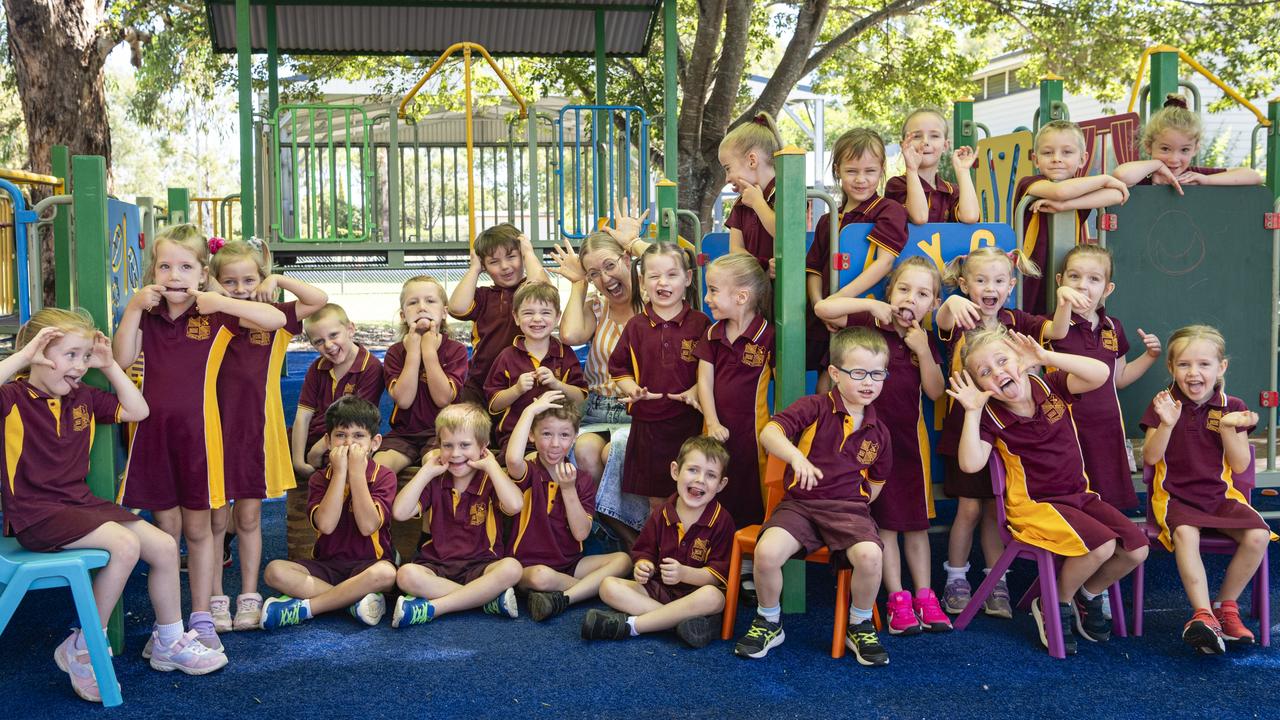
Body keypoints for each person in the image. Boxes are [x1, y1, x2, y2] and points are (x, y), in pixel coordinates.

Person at [3, 309, 226, 702]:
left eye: (84, 356)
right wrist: (23, 356)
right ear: (38, 353)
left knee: (160, 545)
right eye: (70, 355)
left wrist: (108, 367)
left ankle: (169, 641)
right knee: (124, 545)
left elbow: (138, 411)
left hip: (81, 505)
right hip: (36, 515)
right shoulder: (12, 397)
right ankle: (83, 645)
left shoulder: (83, 397)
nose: (79, 366)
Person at [113, 223, 286, 653]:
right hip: (152, 435)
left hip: (201, 437)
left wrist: (220, 298)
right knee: (165, 530)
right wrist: (132, 308)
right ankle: (167, 623)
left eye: (185, 266)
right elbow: (120, 360)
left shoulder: (213, 312)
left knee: (199, 530)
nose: (174, 275)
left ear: (201, 273)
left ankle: (203, 615)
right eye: (165, 265)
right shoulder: (147, 315)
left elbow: (276, 318)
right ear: (152, 271)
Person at [949, 328, 1148, 656]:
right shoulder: (989, 417)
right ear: (980, 386)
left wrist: (1045, 357)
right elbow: (970, 464)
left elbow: (1101, 373)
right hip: (1034, 507)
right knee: (1100, 546)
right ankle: (1054, 603)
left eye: (1003, 361)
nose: (998, 372)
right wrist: (971, 412)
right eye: (985, 372)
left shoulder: (1051, 386)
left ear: (1021, 361)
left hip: (1079, 496)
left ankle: (1085, 595)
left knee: (1137, 549)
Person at [735, 327, 893, 667]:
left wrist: (858, 509)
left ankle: (860, 623)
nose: (869, 382)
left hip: (849, 510)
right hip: (800, 506)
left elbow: (877, 481)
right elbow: (770, 432)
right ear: (835, 374)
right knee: (766, 552)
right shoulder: (816, 407)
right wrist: (796, 458)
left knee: (870, 555)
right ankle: (769, 620)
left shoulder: (880, 431)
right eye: (859, 373)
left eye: (878, 374)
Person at [815, 257, 950, 634]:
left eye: (923, 293)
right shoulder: (867, 325)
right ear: (890, 293)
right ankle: (897, 600)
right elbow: (823, 308)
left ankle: (925, 595)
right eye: (904, 289)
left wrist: (922, 349)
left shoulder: (921, 341)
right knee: (886, 527)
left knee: (917, 526)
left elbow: (936, 392)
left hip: (909, 448)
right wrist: (870, 304)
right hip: (867, 449)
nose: (912, 299)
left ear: (934, 304)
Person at [933, 246, 1070, 617]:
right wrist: (951, 304)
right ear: (964, 284)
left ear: (1011, 285)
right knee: (969, 508)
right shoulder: (960, 316)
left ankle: (997, 580)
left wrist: (1065, 302)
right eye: (979, 281)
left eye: (997, 280)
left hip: (1012, 435)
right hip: (969, 428)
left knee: (997, 509)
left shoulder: (1017, 320)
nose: (988, 287)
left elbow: (1057, 330)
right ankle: (956, 578)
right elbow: (943, 321)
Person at [209, 239, 328, 632]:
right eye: (229, 281)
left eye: (248, 279)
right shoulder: (213, 315)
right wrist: (215, 290)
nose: (239, 288)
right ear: (215, 282)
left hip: (255, 433)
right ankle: (213, 596)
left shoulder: (273, 317)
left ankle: (247, 594)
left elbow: (318, 298)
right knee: (213, 518)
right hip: (212, 429)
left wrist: (278, 277)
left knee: (248, 515)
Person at [1140, 325, 1275, 653]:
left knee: (1259, 535)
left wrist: (1231, 428)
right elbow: (1150, 456)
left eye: (1204, 364)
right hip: (1175, 497)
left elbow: (1241, 465)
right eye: (1184, 364)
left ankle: (1225, 608)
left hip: (1220, 496)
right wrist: (1167, 424)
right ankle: (1202, 615)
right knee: (1187, 533)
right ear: (1171, 368)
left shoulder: (1233, 405)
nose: (1194, 372)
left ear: (1221, 368)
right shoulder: (1163, 403)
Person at [550, 215, 651, 546]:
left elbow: (670, 270)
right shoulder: (598, 305)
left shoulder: (651, 300)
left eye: (609, 266)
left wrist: (633, 242)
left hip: (638, 409)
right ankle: (602, 537)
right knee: (586, 453)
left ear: (626, 260)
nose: (604, 278)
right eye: (594, 273)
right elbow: (570, 334)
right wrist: (579, 284)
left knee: (613, 454)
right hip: (598, 408)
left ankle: (637, 539)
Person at [581, 436, 736, 648]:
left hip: (694, 596)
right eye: (693, 470)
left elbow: (716, 578)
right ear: (675, 471)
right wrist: (643, 566)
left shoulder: (722, 521)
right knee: (608, 586)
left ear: (721, 484)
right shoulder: (662, 513)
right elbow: (644, 552)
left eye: (710, 475)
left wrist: (684, 574)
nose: (700, 479)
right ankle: (676, 624)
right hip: (660, 591)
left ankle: (632, 625)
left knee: (714, 598)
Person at [259, 396, 398, 629]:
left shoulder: (384, 476)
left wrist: (355, 475)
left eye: (358, 436)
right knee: (274, 571)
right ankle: (352, 603)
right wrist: (340, 474)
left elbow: (367, 526)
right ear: (328, 440)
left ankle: (308, 609)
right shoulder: (319, 479)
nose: (348, 444)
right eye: (341, 435)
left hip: (369, 564)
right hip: (327, 566)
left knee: (386, 573)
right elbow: (326, 525)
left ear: (375, 443)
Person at [1048, 245, 1162, 510]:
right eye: (1074, 276)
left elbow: (1118, 378)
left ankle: (1110, 550)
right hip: (1068, 430)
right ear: (1060, 281)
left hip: (1107, 429)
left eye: (1094, 279)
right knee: (1076, 501)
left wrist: (1150, 357)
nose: (1082, 285)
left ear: (1107, 289)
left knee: (1108, 503)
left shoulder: (1113, 327)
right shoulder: (1051, 327)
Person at [391, 403, 524, 626]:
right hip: (437, 566)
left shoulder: (490, 479)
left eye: (465, 445)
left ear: (483, 446)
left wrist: (492, 466)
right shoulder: (435, 479)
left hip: (482, 565)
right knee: (405, 575)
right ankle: (485, 600)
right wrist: (425, 472)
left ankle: (435, 608)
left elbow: (515, 505)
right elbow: (400, 512)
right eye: (447, 445)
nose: (455, 454)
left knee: (512, 568)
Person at [504, 392, 630, 622]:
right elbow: (512, 460)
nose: (554, 443)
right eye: (546, 434)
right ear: (532, 435)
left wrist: (568, 489)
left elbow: (581, 533)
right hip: (528, 566)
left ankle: (566, 597)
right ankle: (592, 592)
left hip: (570, 564)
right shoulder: (529, 471)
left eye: (564, 435)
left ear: (574, 439)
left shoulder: (580, 480)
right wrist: (529, 411)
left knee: (623, 560)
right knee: (541, 578)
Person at [607, 243, 710, 511]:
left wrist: (698, 388)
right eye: (654, 276)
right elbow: (619, 369)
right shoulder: (636, 326)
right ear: (642, 282)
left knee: (693, 494)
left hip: (691, 425)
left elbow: (715, 370)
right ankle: (655, 550)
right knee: (656, 502)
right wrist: (633, 390)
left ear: (688, 278)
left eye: (672, 275)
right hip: (648, 426)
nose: (662, 283)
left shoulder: (701, 324)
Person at [805, 129, 908, 388]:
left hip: (867, 315)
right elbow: (814, 269)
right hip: (828, 317)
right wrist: (821, 307)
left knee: (863, 380)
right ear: (837, 169)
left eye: (870, 171)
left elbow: (884, 263)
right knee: (826, 381)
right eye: (852, 171)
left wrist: (836, 302)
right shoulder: (828, 220)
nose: (861, 179)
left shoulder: (888, 210)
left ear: (882, 169)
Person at [1012, 119, 1129, 315]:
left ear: (1082, 159)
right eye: (1047, 152)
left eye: (1067, 152)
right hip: (1031, 271)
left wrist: (1065, 206)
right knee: (1031, 316)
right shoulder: (1030, 184)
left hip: (1067, 270)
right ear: (1035, 159)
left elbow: (1117, 195)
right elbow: (1059, 192)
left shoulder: (1078, 188)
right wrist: (1106, 178)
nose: (1056, 158)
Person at [695, 252, 774, 527]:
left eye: (713, 290)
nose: (707, 298)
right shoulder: (712, 334)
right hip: (714, 432)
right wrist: (712, 422)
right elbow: (704, 382)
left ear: (741, 297)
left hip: (754, 436)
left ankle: (748, 560)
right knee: (713, 487)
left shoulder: (768, 336)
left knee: (751, 492)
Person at [448, 224, 551, 411]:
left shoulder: (528, 291)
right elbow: (456, 308)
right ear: (485, 266)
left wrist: (529, 254)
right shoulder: (483, 296)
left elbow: (544, 294)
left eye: (512, 257)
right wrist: (474, 269)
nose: (505, 267)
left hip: (523, 382)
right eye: (494, 262)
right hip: (481, 381)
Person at [373, 275, 468, 476]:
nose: (422, 307)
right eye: (413, 302)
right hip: (404, 434)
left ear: (444, 313)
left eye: (430, 301)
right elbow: (404, 401)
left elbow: (443, 399)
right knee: (378, 469)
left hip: (443, 432)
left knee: (437, 466)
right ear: (402, 315)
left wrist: (429, 352)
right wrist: (414, 353)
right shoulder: (395, 352)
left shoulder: (456, 350)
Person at [484, 281, 586, 454]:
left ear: (557, 317)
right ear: (516, 317)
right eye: (528, 313)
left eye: (545, 312)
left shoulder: (565, 354)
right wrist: (516, 390)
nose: (537, 319)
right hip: (517, 435)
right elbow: (493, 404)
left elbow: (581, 398)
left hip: (557, 437)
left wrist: (557, 384)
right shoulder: (507, 356)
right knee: (520, 465)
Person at [291, 303, 384, 478]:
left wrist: (315, 452)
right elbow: (303, 416)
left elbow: (357, 421)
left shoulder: (370, 367)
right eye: (319, 341)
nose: (328, 345)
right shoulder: (317, 367)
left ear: (350, 329)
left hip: (345, 440)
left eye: (334, 335)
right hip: (317, 437)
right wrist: (298, 462)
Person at [1112, 94, 1264, 189]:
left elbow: (1253, 176)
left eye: (1184, 150)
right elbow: (1121, 175)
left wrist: (1206, 181)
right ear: (1148, 146)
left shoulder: (1194, 176)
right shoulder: (1143, 177)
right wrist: (1157, 165)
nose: (1174, 159)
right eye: (1165, 149)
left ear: (1195, 148)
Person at [885, 107, 981, 224]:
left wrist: (963, 171)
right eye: (916, 136)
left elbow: (970, 217)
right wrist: (912, 169)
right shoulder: (896, 185)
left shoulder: (951, 190)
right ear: (903, 145)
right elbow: (919, 217)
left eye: (934, 136)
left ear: (945, 145)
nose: (925, 141)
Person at [720, 112, 783, 277]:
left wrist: (758, 203)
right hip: (754, 286)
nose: (727, 178)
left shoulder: (786, 194)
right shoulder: (740, 203)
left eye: (728, 168)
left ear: (752, 161)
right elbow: (735, 249)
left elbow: (785, 232)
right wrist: (761, 269)